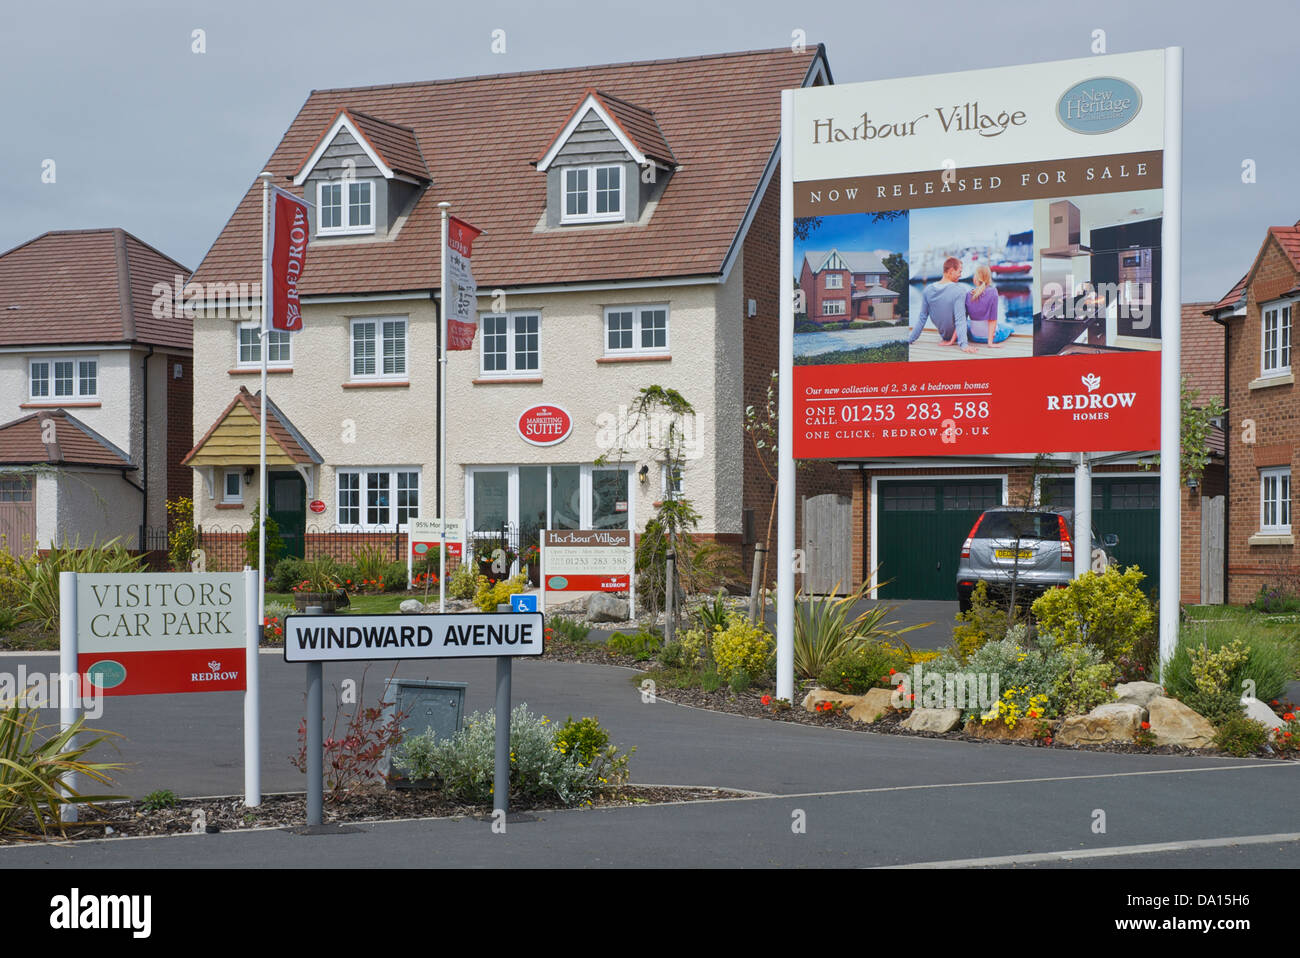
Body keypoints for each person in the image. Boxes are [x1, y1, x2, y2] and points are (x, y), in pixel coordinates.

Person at [907, 256, 977, 353]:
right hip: (962, 333)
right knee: (1001, 329)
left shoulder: (928, 290)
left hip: (945, 335)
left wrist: (910, 339)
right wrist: (964, 345)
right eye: (960, 272)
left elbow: (922, 318)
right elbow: (960, 320)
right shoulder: (959, 291)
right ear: (951, 270)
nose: (961, 275)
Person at [965, 265, 1008, 347]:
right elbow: (992, 319)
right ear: (988, 278)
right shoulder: (993, 292)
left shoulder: (968, 294)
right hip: (992, 338)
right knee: (1007, 327)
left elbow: (963, 320)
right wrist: (990, 343)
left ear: (976, 278)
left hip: (974, 337)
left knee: (970, 323)